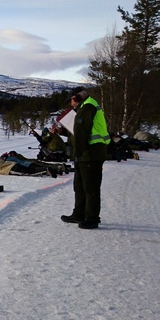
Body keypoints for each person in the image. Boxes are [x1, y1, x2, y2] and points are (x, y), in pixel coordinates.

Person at [60, 87, 110, 229]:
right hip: (86, 153)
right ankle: (79, 214)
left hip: (91, 153)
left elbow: (82, 132)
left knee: (91, 187)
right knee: (80, 186)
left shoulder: (88, 107)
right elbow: (77, 131)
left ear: (76, 98)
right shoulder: (85, 107)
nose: (71, 104)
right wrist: (62, 131)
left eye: (71, 100)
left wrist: (77, 154)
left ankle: (92, 218)